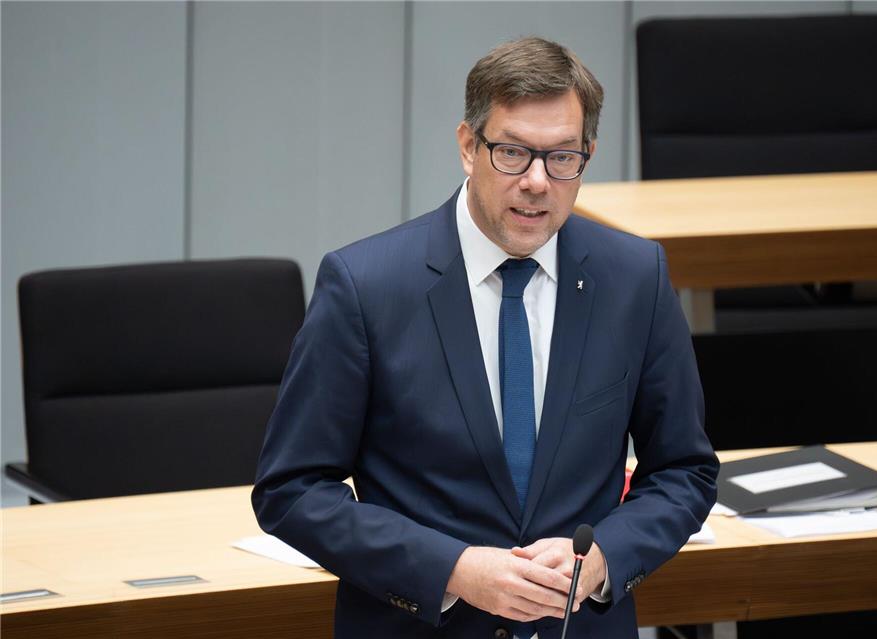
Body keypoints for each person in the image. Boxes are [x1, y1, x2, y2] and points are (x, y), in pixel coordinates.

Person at [252, 36, 718, 639]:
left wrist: (605, 556)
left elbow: (684, 470)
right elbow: (292, 490)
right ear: (468, 147)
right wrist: (452, 570)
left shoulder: (635, 279)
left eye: (562, 157)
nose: (537, 181)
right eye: (513, 153)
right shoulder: (365, 286)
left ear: (588, 155)